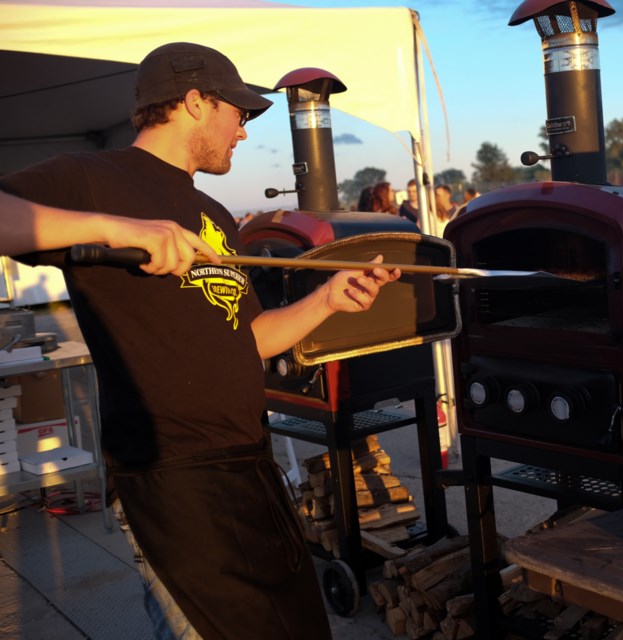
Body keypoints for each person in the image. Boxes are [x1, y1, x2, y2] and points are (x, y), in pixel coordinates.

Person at [0, 42, 401, 640]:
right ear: (193, 102)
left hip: (248, 461)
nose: (244, 128)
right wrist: (114, 228)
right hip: (170, 474)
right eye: (238, 111)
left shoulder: (214, 212)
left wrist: (326, 300)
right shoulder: (91, 177)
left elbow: (250, 339)